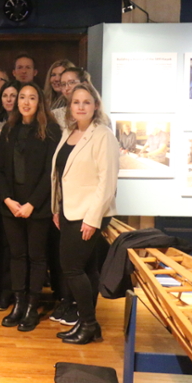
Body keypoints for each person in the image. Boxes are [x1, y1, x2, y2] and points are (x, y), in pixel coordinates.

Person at [51, 82, 119, 344]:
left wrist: (93, 218)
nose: (80, 106)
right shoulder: (69, 132)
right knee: (87, 269)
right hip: (69, 211)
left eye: (86, 102)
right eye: (76, 102)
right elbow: (61, 175)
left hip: (89, 213)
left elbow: (107, 182)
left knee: (72, 268)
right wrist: (57, 207)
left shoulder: (103, 135)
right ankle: (88, 324)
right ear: (70, 106)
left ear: (96, 106)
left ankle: (88, 323)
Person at [0, 82, 61, 331]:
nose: (26, 102)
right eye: (22, 97)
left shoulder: (51, 130)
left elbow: (50, 173)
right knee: (17, 255)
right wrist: (8, 200)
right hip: (11, 205)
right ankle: (19, 303)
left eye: (32, 98)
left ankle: (33, 306)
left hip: (38, 206)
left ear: (39, 102)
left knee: (36, 257)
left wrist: (32, 203)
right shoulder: (8, 130)